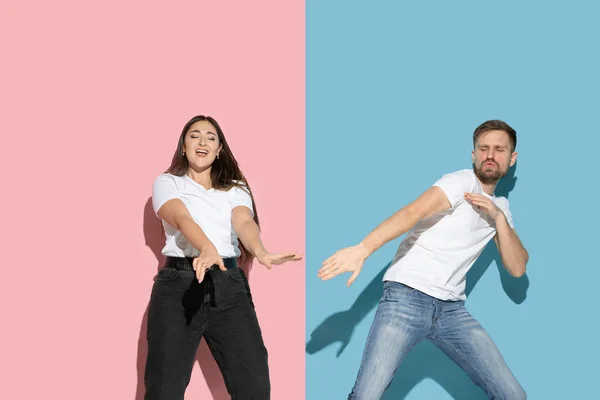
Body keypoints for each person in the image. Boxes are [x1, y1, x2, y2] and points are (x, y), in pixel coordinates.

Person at [318, 120, 528, 399]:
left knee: (513, 395)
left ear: (512, 158)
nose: (490, 155)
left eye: (499, 149)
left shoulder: (500, 208)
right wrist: (363, 249)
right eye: (483, 148)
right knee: (366, 396)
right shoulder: (461, 182)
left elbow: (517, 267)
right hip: (406, 297)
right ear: (473, 154)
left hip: (452, 311)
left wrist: (499, 218)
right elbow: (412, 213)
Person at [144, 115, 302, 400]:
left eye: (211, 137)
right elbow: (180, 217)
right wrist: (206, 247)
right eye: (194, 135)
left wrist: (260, 250)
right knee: (163, 388)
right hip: (178, 287)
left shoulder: (236, 187)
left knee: (254, 385)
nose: (202, 141)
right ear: (183, 146)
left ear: (219, 150)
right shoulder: (167, 182)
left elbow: (243, 222)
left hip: (228, 287)